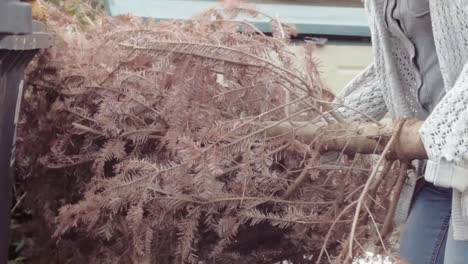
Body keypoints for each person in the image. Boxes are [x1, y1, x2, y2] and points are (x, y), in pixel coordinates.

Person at [334, 0, 468, 263]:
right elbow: (391, 67)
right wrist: (329, 124)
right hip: (437, 170)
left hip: (454, 151)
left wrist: (438, 133)